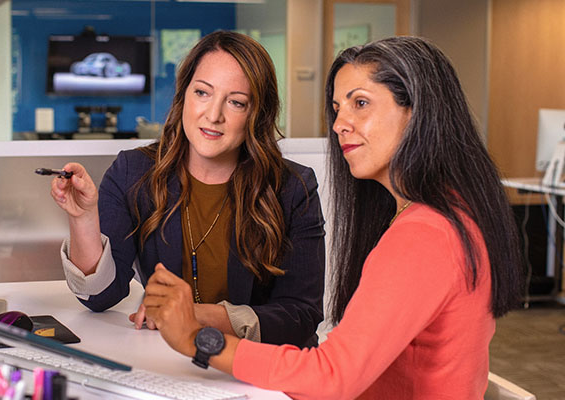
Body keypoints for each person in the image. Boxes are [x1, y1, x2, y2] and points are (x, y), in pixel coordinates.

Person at [141, 36, 524, 399]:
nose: (339, 123)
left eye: (360, 103)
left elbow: (333, 377)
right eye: (338, 108)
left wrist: (198, 340)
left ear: (417, 112)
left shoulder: (425, 234)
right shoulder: (455, 212)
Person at [48, 31, 326, 347]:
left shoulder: (293, 187)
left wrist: (192, 314)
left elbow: (300, 315)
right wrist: (84, 217)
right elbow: (100, 296)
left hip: (259, 368)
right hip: (171, 361)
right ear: (184, 96)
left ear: (256, 114)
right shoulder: (134, 172)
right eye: (202, 93)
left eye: (236, 102)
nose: (213, 115)